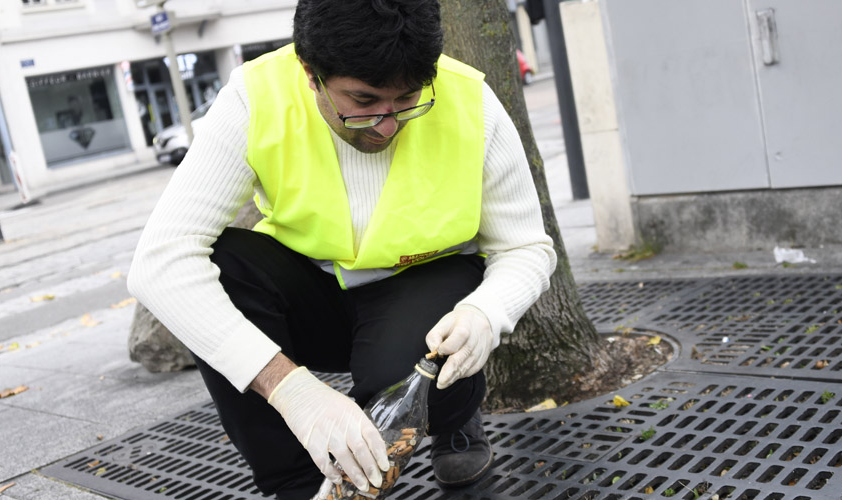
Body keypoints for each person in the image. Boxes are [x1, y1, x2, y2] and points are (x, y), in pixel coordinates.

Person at [127, 0, 555, 498]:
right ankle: (300, 483)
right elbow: (158, 262)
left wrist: (487, 311)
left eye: (408, 100)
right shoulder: (256, 96)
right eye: (364, 100)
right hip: (314, 291)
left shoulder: (471, 103)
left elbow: (526, 247)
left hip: (426, 291)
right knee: (221, 269)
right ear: (311, 75)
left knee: (402, 379)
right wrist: (290, 390)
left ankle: (455, 419)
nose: (388, 124)